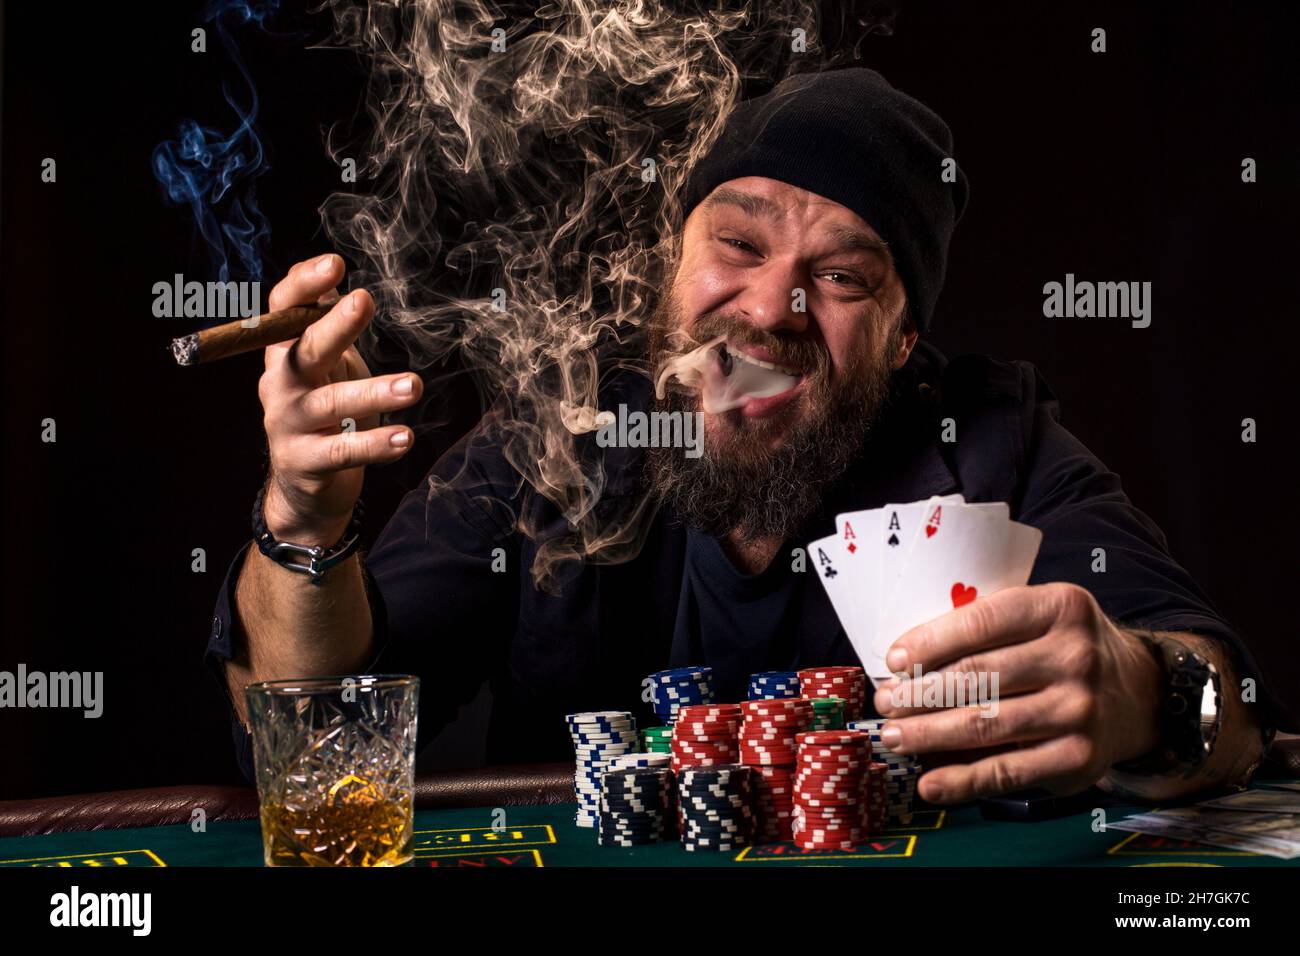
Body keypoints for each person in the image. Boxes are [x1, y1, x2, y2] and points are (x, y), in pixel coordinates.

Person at [207, 68, 1282, 804]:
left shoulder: (991, 438)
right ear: (669, 264)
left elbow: (1228, 706)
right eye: (737, 241)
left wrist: (1145, 692)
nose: (772, 309)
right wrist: (303, 513)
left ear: (905, 337)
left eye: (841, 276)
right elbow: (308, 741)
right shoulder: (565, 435)